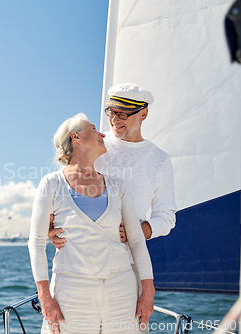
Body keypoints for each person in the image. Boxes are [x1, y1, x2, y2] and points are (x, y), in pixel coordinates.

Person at [48, 83, 176, 333]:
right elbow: (60, 194)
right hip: (76, 274)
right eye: (110, 112)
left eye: (123, 114)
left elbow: (167, 216)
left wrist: (140, 230)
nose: (114, 121)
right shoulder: (96, 145)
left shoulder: (159, 160)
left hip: (126, 273)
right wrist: (48, 229)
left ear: (144, 114)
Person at [29, 113, 155, 334]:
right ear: (75, 137)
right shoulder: (51, 184)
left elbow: (136, 241)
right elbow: (36, 243)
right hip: (71, 293)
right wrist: (45, 297)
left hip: (121, 293)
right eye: (94, 129)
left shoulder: (117, 185)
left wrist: (148, 291)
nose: (102, 134)